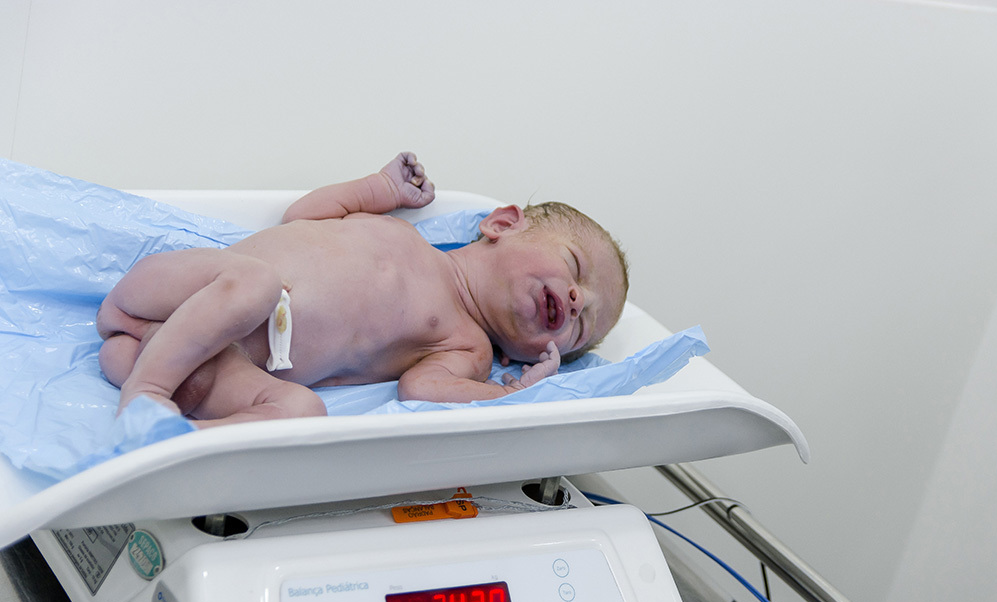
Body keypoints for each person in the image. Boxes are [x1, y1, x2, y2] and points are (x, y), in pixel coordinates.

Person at [96, 152, 629, 428]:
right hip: (178, 294)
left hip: (215, 368)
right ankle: (147, 396)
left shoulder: (468, 347)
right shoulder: (398, 230)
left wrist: (510, 395)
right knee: (256, 282)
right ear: (502, 224)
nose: (578, 301)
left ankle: (168, 439)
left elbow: (422, 390)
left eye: (580, 329)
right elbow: (302, 215)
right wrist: (381, 188)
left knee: (304, 413)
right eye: (574, 266)